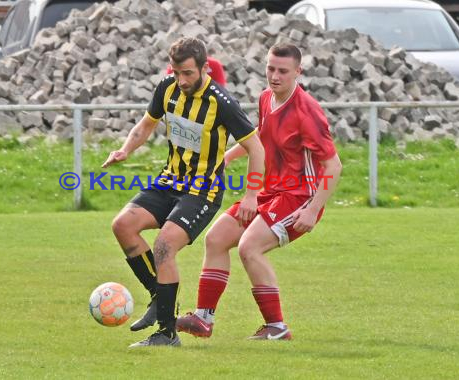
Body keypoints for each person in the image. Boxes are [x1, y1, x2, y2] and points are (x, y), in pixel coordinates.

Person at [102, 37, 265, 347]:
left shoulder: (223, 102)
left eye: (188, 73)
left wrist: (251, 195)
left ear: (205, 69)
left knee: (164, 245)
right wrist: (125, 150)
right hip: (169, 182)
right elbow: (145, 125)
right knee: (123, 225)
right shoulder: (167, 88)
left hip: (202, 191)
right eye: (176, 72)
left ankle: (166, 332)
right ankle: (158, 298)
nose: (182, 80)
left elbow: (257, 149)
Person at [176, 41, 343, 340]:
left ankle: (277, 327)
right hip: (272, 192)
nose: (275, 76)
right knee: (216, 239)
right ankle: (203, 319)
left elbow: (334, 166)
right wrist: (227, 157)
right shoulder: (266, 98)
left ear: (298, 72)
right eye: (270, 68)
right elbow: (260, 141)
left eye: (283, 71)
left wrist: (314, 208)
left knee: (249, 248)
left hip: (299, 198)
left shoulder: (307, 112)